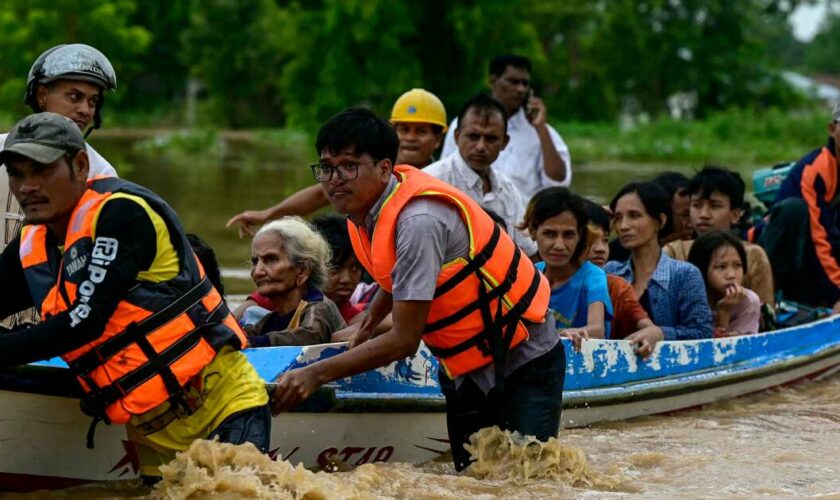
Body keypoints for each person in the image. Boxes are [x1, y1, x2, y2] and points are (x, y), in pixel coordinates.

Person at [271, 108, 562, 473]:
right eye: (326, 167)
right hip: (463, 361)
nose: (334, 179)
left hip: (523, 352)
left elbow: (405, 340)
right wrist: (368, 321)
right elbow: (396, 278)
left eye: (348, 166)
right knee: (474, 477)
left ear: (384, 168)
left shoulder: (418, 221)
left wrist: (316, 374)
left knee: (530, 478)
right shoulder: (367, 213)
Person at [0, 112, 269, 482]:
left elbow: (86, 320)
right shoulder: (32, 245)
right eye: (17, 173)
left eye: (41, 170)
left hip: (220, 406)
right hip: (150, 431)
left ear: (80, 165)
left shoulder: (121, 213)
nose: (27, 186)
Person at [1, 44, 120, 327]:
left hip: (51, 326)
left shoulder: (101, 174)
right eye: (74, 97)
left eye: (92, 102)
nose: (84, 110)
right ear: (42, 96)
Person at [226, 88, 448, 237]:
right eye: (404, 129)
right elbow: (321, 194)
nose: (410, 138)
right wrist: (267, 215)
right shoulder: (367, 171)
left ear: (438, 139)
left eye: (421, 131)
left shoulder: (441, 182)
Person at [441, 54, 571, 199]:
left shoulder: (542, 132)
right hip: (467, 215)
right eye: (513, 82)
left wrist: (541, 128)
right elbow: (447, 174)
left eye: (525, 83)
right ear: (493, 81)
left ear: (504, 141)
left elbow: (558, 182)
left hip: (520, 218)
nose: (520, 89)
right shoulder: (462, 125)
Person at [423, 93, 537, 256]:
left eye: (491, 139)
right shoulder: (431, 182)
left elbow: (527, 250)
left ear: (504, 142)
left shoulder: (508, 190)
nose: (481, 146)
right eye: (473, 136)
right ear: (456, 137)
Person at [758, 103, 840, 313]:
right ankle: (769, 304)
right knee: (794, 210)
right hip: (785, 246)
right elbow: (818, 237)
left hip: (817, 256)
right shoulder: (816, 169)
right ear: (832, 129)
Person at [605, 182, 713, 340]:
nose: (623, 226)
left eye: (634, 216)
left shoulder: (684, 275)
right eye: (618, 218)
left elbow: (702, 333)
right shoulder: (610, 272)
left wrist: (661, 334)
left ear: (660, 221)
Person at [664, 166, 775, 308]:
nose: (703, 214)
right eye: (697, 205)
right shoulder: (673, 252)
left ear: (735, 215)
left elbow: (765, 316)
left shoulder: (753, 255)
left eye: (714, 206)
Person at [520, 187, 611, 350]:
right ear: (534, 232)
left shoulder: (593, 277)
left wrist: (575, 332)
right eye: (549, 234)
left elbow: (597, 329)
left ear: (580, 235)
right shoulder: (529, 275)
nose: (559, 245)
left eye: (568, 235)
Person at [241, 217, 345, 346]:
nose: (257, 272)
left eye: (271, 259)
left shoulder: (320, 307)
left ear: (302, 270)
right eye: (255, 262)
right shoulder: (269, 321)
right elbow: (245, 337)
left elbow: (308, 337)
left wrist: (255, 342)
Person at [584, 200, 663, 355]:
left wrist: (655, 333)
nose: (600, 249)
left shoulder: (618, 287)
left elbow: (649, 327)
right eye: (590, 240)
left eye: (605, 240)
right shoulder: (541, 276)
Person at [688, 231, 760, 337]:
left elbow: (733, 349)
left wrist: (724, 311)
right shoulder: (690, 299)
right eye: (721, 267)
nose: (731, 275)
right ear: (701, 269)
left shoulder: (748, 301)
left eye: (738, 265)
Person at [608, 171, 691, 263]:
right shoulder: (613, 259)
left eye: (634, 216)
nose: (623, 226)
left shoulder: (689, 268)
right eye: (685, 215)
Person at [311, 214, 366, 322]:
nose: (346, 279)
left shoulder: (364, 321)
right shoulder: (277, 312)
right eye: (335, 267)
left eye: (355, 267)